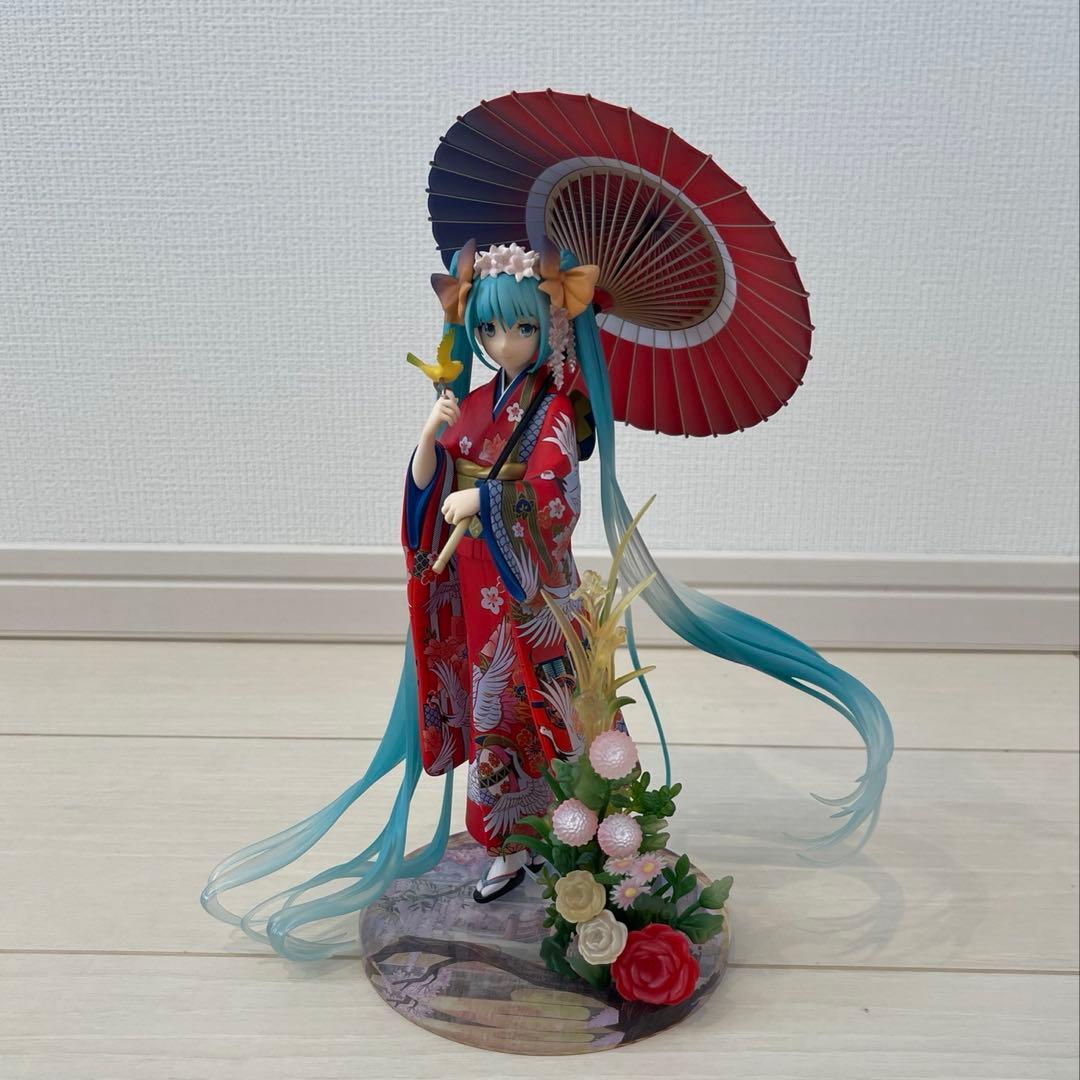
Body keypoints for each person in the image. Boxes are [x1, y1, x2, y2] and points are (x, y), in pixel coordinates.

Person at [201, 239, 893, 961]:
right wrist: (430, 440)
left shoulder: (557, 411)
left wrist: (487, 499)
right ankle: (507, 845)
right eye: (490, 328)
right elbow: (430, 494)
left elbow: (556, 496)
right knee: (491, 709)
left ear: (551, 327)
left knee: (545, 713)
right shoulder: (472, 404)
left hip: (531, 595)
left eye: (523, 327)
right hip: (477, 585)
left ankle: (575, 841)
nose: (505, 343)